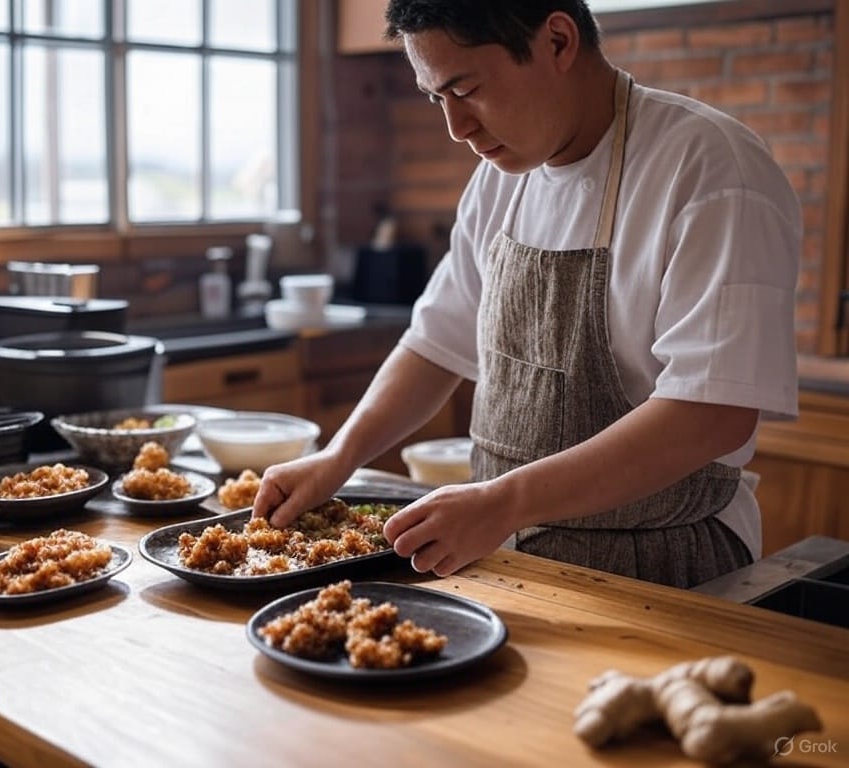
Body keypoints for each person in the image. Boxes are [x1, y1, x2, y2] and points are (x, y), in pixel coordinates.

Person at [252, 0, 801, 588]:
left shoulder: (710, 168)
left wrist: (504, 501)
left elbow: (712, 416)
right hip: (505, 552)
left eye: (465, 89)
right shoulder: (501, 180)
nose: (456, 129)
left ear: (558, 41)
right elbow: (437, 343)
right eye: (437, 97)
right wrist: (338, 459)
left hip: (661, 565)